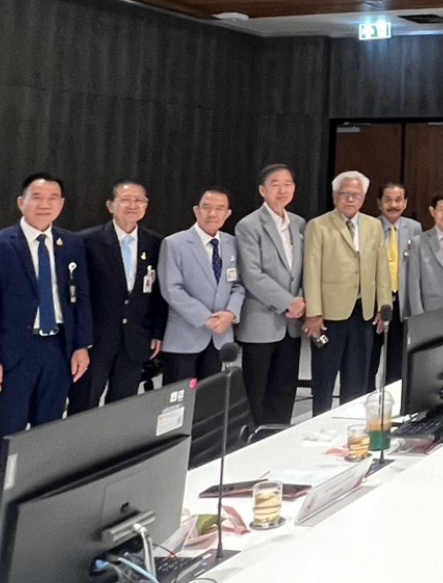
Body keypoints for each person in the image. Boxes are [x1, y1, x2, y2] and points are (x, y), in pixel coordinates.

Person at [0, 173, 93, 468]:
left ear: (61, 204)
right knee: (10, 432)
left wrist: (81, 345)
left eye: (52, 198)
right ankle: (2, 490)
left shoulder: (71, 243)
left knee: (48, 429)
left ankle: (40, 488)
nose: (44, 205)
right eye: (37, 197)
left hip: (59, 349)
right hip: (15, 353)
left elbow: (81, 298)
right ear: (21, 203)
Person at [71, 179, 164, 410]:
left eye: (139, 200)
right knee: (84, 404)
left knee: (122, 407)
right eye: (125, 200)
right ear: (110, 205)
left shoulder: (155, 243)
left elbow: (158, 294)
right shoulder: (86, 241)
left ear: (146, 206)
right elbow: (77, 295)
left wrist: (156, 332)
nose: (133, 205)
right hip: (95, 341)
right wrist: (79, 340)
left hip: (135, 340)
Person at [304, 171, 389, 415]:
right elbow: (311, 271)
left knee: (357, 378)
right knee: (324, 379)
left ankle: (351, 422)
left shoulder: (373, 225)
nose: (350, 199)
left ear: (363, 198)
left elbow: (382, 269)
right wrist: (314, 313)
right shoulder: (318, 225)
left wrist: (384, 308)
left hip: (364, 312)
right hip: (329, 314)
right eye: (345, 194)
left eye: (356, 195)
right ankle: (320, 423)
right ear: (335, 196)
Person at [235, 163, 306, 426]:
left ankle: (280, 434)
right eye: (275, 184)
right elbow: (252, 275)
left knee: (285, 387)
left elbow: (305, 269)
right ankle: (253, 440)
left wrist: (301, 300)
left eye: (287, 184)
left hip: (292, 322)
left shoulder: (299, 224)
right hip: (261, 320)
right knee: (256, 389)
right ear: (262, 190)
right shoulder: (248, 225)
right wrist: (289, 302)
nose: (282, 190)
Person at [158, 188, 245, 384]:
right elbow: (172, 289)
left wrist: (231, 314)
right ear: (196, 211)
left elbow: (239, 285)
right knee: (180, 398)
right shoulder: (174, 243)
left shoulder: (233, 244)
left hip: (220, 337)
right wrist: (206, 318)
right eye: (207, 207)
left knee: (210, 397)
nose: (213, 214)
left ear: (227, 214)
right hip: (184, 337)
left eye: (220, 209)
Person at [370, 182, 424, 390]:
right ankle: (368, 399)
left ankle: (394, 398)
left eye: (398, 200)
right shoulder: (370, 226)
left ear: (405, 203)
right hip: (375, 302)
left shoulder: (415, 228)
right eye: (388, 200)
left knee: (397, 360)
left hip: (402, 302)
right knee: (370, 359)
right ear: (379, 203)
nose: (393, 205)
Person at [409, 190, 443, 313]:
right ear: (432, 211)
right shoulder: (418, 242)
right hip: (431, 311)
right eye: (442, 210)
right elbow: (414, 284)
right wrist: (418, 316)